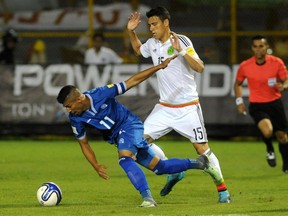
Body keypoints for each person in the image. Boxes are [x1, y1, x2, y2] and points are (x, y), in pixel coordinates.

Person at [56, 56, 216, 207]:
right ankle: (200, 163)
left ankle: (148, 199)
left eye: (69, 106)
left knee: (125, 159)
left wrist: (159, 67)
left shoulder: (101, 94)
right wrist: (95, 165)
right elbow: (83, 143)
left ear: (79, 99)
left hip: (129, 125)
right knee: (160, 167)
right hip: (118, 137)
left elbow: (131, 81)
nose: (68, 110)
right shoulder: (75, 119)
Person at [127, 6, 231, 203]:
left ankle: (223, 191)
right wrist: (131, 31)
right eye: (149, 25)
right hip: (165, 107)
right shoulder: (152, 43)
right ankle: (172, 170)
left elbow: (200, 67)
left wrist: (181, 52)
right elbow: (139, 50)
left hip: (188, 108)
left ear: (166, 23)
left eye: (155, 24)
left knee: (202, 151)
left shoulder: (181, 41)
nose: (151, 28)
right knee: (138, 143)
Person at [234, 35, 288, 173]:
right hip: (257, 105)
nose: (258, 49)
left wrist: (283, 86)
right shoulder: (246, 65)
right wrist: (239, 101)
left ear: (267, 47)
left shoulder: (276, 62)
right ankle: (270, 149)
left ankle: (286, 163)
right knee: (267, 130)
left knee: (282, 137)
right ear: (252, 48)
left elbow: (285, 79)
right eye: (255, 46)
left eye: (261, 46)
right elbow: (238, 84)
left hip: (275, 104)